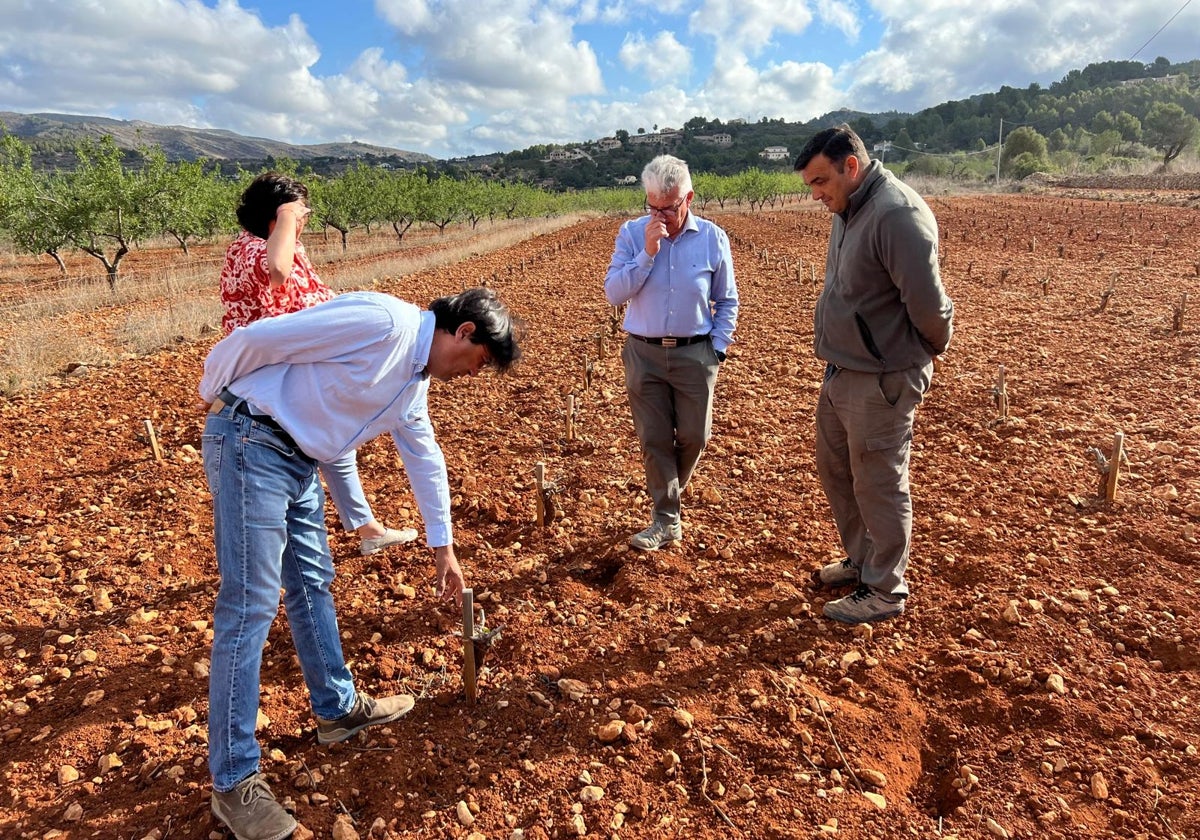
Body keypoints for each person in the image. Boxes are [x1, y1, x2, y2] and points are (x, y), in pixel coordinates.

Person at [199, 287, 523, 840]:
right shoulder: (385, 321)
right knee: (251, 605)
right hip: (253, 438)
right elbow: (259, 337)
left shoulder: (413, 385)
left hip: (298, 460)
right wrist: (215, 392)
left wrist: (442, 547)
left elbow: (424, 458)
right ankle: (232, 781)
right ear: (464, 332)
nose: (474, 374)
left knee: (312, 585)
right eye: (480, 362)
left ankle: (337, 709)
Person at [794, 124, 954, 624]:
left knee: (879, 481)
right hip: (843, 369)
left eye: (821, 181)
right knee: (838, 471)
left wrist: (923, 353)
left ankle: (885, 588)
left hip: (882, 377)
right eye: (810, 185)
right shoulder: (849, 207)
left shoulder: (896, 215)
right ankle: (862, 560)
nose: (816, 194)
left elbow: (928, 306)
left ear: (851, 167)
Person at [220, 172, 416, 557]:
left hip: (297, 363)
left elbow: (313, 297)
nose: (306, 221)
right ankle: (331, 539)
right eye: (300, 214)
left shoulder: (286, 248)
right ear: (278, 217)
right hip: (272, 373)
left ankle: (366, 529)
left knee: (334, 444)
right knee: (322, 444)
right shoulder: (250, 250)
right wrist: (289, 217)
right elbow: (276, 272)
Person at [604, 154, 738, 551]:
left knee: (696, 436)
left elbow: (727, 301)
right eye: (653, 207)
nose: (661, 215)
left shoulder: (713, 238)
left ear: (689, 198)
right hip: (643, 353)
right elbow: (614, 292)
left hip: (695, 353)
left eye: (669, 207)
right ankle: (666, 518)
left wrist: (717, 349)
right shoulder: (631, 234)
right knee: (655, 439)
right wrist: (647, 252)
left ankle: (669, 498)